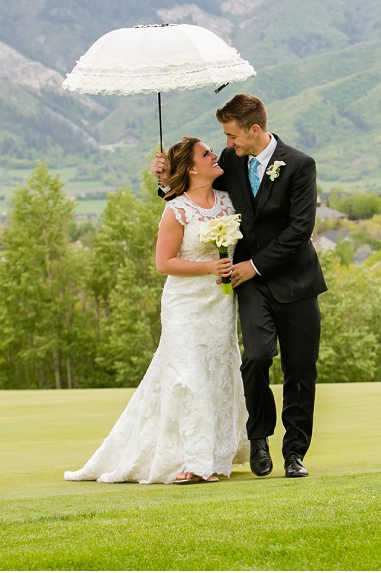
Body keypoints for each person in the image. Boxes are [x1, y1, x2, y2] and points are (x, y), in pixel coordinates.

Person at [153, 94, 326, 478]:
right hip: (249, 286)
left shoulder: (299, 165)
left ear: (254, 130)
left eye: (232, 136)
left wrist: (254, 265)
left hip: (297, 283)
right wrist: (166, 180)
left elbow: (300, 230)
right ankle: (259, 439)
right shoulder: (230, 161)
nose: (227, 145)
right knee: (256, 357)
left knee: (300, 371)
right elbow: (196, 197)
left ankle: (294, 453)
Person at [65, 137, 249, 485]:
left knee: (217, 375)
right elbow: (163, 263)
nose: (215, 155)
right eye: (206, 153)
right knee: (189, 377)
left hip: (220, 304)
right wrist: (209, 268)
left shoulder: (227, 200)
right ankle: (195, 462)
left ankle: (213, 455)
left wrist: (164, 179)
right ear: (193, 168)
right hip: (184, 305)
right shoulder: (176, 209)